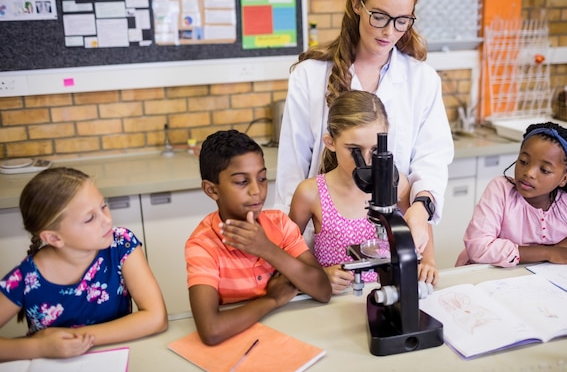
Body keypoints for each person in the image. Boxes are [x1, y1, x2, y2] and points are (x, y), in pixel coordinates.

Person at [274, 0, 454, 277]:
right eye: (380, 16)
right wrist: (297, 269)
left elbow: (432, 160)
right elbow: (292, 172)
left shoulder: (422, 79)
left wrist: (420, 210)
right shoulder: (310, 77)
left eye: (402, 21)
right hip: (325, 254)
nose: (389, 31)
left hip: (391, 238)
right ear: (357, 5)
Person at [0, 167, 167, 362]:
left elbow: (156, 318)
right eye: (89, 218)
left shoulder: (121, 244)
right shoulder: (25, 278)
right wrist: (39, 346)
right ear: (54, 237)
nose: (107, 220)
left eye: (103, 206)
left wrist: (79, 339)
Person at [185, 130, 331, 346]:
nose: (257, 191)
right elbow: (211, 331)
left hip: (286, 335)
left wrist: (268, 249)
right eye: (242, 182)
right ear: (212, 190)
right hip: (234, 342)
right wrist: (272, 299)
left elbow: (323, 290)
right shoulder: (203, 245)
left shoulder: (280, 224)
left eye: (262, 178)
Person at [289, 90, 438, 293]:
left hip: (390, 291)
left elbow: (420, 223)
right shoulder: (310, 193)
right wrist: (320, 274)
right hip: (338, 298)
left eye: (376, 150)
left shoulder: (398, 184)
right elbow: (288, 250)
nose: (367, 161)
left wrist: (428, 261)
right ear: (330, 142)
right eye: (354, 150)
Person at [456, 122, 567, 267]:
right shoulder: (501, 189)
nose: (529, 173)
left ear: (563, 179)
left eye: (544, 170)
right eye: (523, 161)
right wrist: (548, 252)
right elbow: (478, 247)